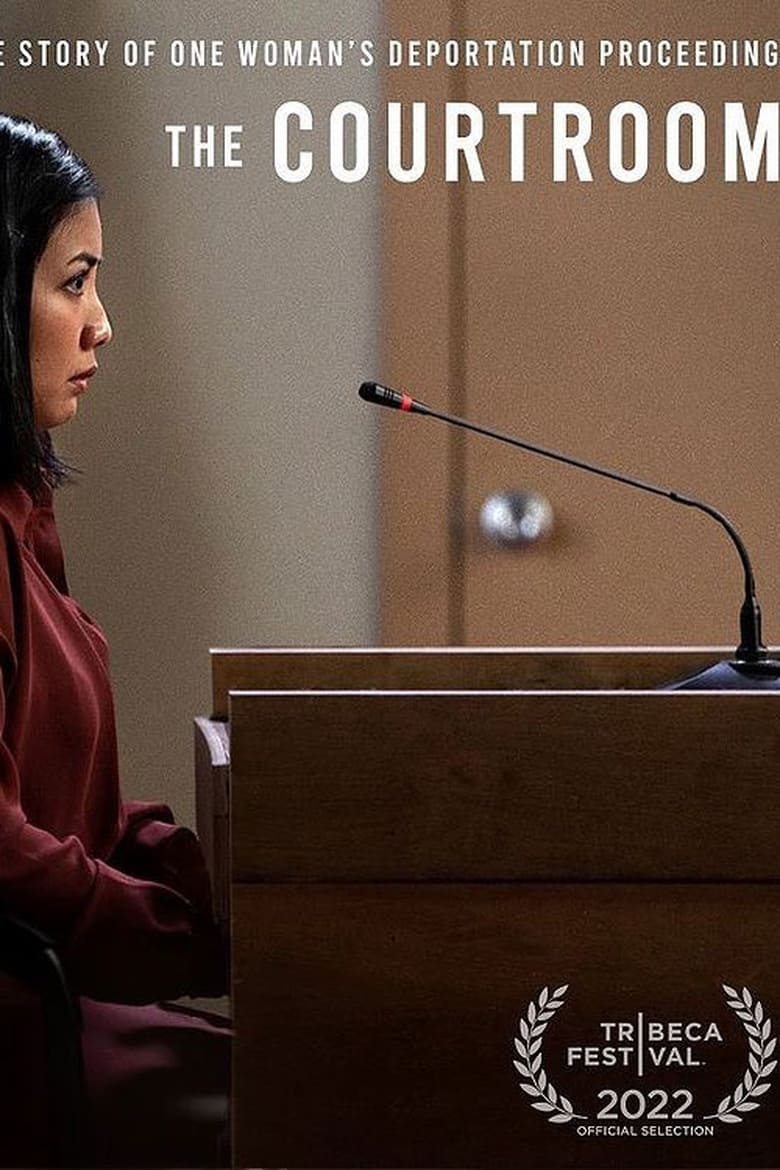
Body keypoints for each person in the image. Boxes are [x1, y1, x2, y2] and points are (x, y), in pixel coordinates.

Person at [0, 113, 230, 1167]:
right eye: (74, 282)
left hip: (54, 999)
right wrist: (183, 938)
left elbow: (74, 813)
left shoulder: (22, 511)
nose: (102, 325)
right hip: (21, 1028)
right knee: (316, 1100)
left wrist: (232, 885)